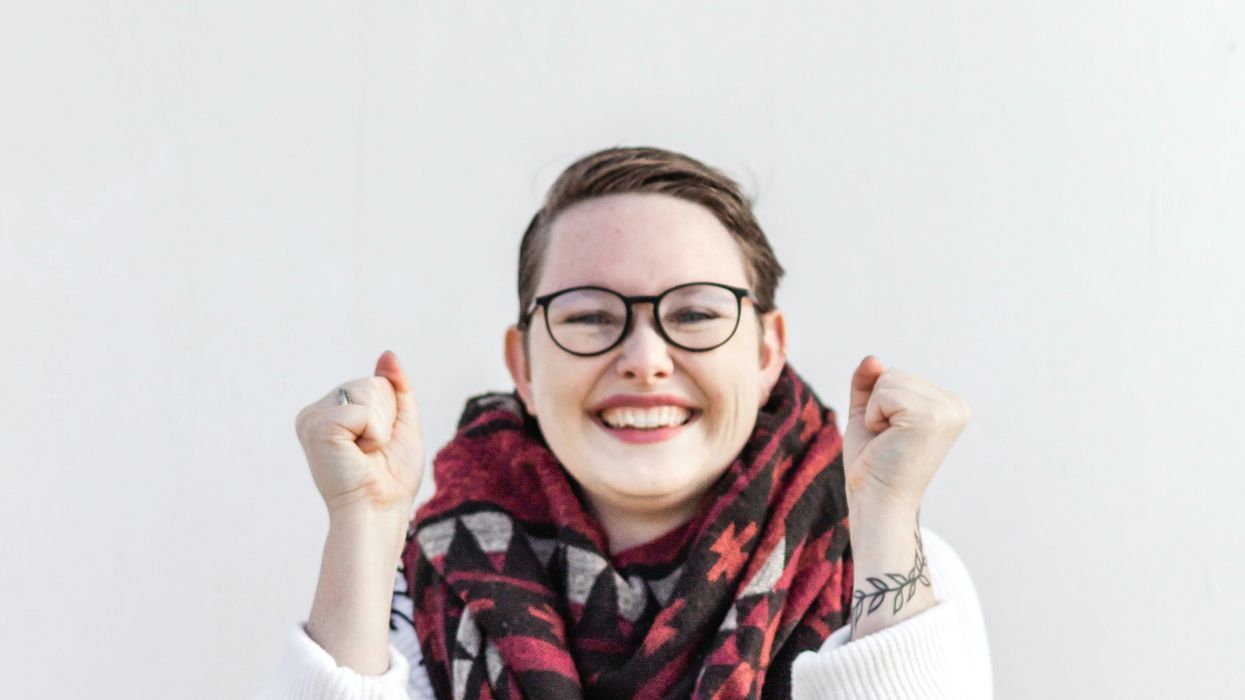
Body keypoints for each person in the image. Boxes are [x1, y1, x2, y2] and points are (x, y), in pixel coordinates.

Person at [258, 147, 992, 699]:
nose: (644, 360)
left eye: (695, 313)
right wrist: (363, 523)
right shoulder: (414, 585)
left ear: (767, 351)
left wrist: (885, 514)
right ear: (523, 364)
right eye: (588, 317)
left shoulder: (891, 566)